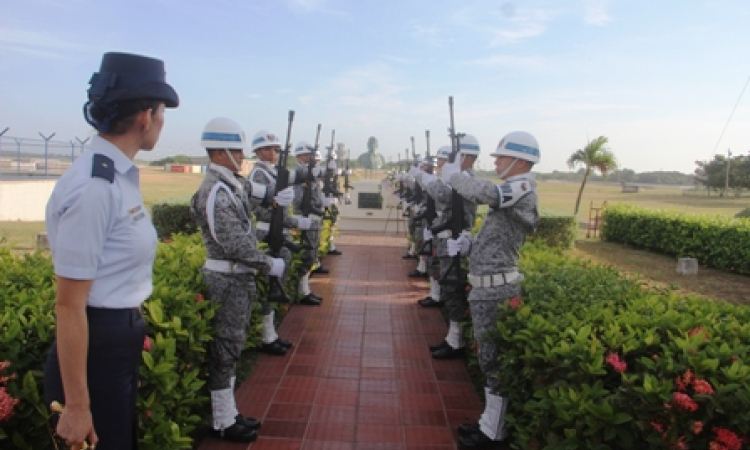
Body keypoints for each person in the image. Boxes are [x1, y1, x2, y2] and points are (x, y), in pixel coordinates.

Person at [44, 51, 179, 450]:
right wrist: (78, 405)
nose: (161, 122)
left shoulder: (117, 178)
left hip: (112, 345)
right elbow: (69, 306)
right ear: (144, 118)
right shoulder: (95, 187)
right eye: (161, 113)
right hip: (94, 351)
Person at [191, 117, 294, 442]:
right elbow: (233, 244)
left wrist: (279, 196)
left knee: (233, 347)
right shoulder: (215, 191)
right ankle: (222, 420)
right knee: (225, 349)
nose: (242, 155)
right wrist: (269, 265)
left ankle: (229, 412)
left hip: (238, 280)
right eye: (236, 149)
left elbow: (259, 191)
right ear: (219, 152)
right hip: (227, 280)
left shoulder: (231, 182)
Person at [445, 131, 540, 449]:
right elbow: (495, 240)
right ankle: (489, 425)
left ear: (520, 160)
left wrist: (457, 178)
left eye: (501, 156)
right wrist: (469, 245)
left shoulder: (522, 187)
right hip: (486, 288)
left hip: (497, 289)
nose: (496, 160)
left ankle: (494, 434)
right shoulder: (513, 191)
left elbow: (491, 195)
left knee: (494, 363)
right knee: (488, 360)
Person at [249, 130, 321, 330]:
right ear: (257, 151)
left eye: (276, 149)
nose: (272, 153)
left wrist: (317, 169)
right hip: (268, 232)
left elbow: (300, 176)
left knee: (279, 280)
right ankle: (267, 333)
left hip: (281, 231)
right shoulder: (258, 174)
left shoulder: (273, 172)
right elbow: (263, 212)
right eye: (267, 149)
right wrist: (294, 222)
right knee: (269, 284)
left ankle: (271, 329)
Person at [422, 135, 480, 360]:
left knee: (454, 293)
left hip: (458, 243)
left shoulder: (466, 181)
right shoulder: (457, 180)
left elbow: (442, 197)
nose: (445, 164)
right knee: (448, 289)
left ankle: (456, 341)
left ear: (467, 158)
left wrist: (431, 179)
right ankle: (452, 338)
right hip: (448, 240)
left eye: (452, 158)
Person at [291, 141, 327, 304]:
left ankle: (305, 289)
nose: (311, 157)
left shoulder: (309, 173)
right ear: (300, 156)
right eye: (308, 154)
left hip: (313, 217)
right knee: (307, 255)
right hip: (307, 218)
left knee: (311, 253)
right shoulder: (300, 173)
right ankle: (302, 291)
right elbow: (298, 199)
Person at [416, 145, 451, 307]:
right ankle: (434, 294)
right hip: (436, 226)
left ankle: (438, 296)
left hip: (446, 231)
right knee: (433, 261)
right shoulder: (440, 179)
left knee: (440, 266)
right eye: (439, 161)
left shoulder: (450, 180)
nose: (440, 164)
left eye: (442, 160)